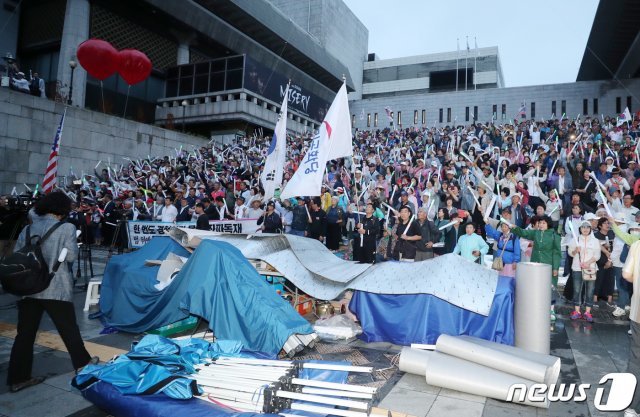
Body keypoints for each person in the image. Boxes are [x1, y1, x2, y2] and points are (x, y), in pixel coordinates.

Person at [7, 192, 97, 392]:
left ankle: (17, 378)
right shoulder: (66, 228)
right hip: (55, 286)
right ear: (62, 209)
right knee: (69, 330)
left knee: (25, 335)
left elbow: (18, 256)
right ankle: (83, 365)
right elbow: (71, 256)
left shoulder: (28, 229)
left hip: (29, 287)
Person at [510, 215, 562, 321]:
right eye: (540, 223)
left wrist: (555, 268)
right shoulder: (535, 233)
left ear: (548, 224)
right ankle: (537, 308)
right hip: (536, 265)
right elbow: (524, 233)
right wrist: (514, 228)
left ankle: (551, 310)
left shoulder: (554, 235)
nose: (541, 225)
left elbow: (557, 253)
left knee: (550, 288)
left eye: (543, 223)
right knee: (537, 287)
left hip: (549, 266)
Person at [567, 221, 602, 322]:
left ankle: (588, 312)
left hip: (591, 268)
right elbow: (570, 253)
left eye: (587, 227)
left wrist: (588, 262)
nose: (585, 229)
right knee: (577, 290)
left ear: (590, 229)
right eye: (583, 227)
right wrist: (575, 251)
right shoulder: (575, 239)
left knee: (590, 291)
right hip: (577, 268)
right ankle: (577, 312)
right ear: (580, 229)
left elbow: (597, 255)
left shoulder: (595, 241)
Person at [623, 239, 640, 417]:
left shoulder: (637, 245)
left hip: (638, 312)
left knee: (636, 359)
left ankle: (631, 407)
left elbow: (626, 274)